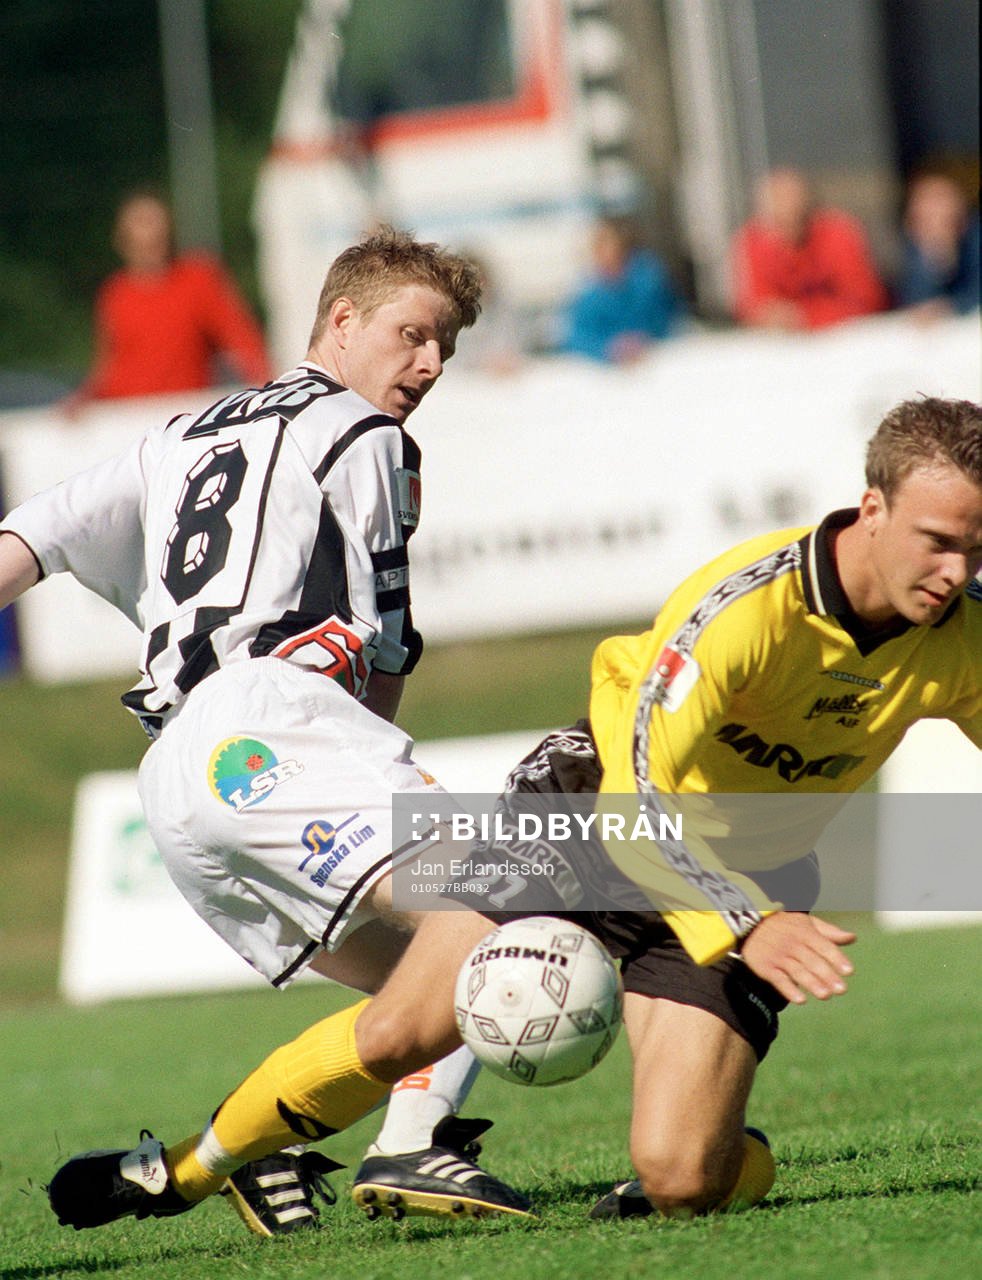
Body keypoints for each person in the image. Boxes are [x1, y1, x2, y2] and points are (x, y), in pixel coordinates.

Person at [0, 227, 533, 1235]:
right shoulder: (369, 435)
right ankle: (413, 1145)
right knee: (503, 907)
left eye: (446, 349)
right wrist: (376, 759)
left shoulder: (178, 436)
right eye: (413, 334)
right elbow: (381, 642)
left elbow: (29, 536)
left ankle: (233, 1158)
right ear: (342, 319)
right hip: (277, 725)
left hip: (175, 775)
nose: (428, 364)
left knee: (437, 1003)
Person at [399, 395, 982, 1220]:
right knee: (400, 1030)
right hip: (603, 816)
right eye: (941, 543)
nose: (958, 572)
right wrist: (748, 921)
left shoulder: (960, 635)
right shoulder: (747, 606)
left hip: (747, 863)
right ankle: (213, 1163)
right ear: (875, 508)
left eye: (977, 548)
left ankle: (717, 1148)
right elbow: (636, 793)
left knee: (682, 1178)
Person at [62, 190, 271, 415]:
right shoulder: (115, 293)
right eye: (141, 225)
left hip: (180, 414)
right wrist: (84, 398)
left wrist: (270, 391)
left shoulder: (198, 279)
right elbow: (108, 366)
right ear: (122, 239)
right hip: (125, 416)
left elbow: (242, 340)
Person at [731, 167, 888, 331]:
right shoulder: (752, 241)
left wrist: (805, 316)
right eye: (776, 219)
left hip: (847, 340)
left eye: (792, 213)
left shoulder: (838, 234)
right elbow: (753, 307)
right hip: (787, 348)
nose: (785, 221)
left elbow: (866, 300)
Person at [560, 216, 683, 364]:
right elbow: (576, 337)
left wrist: (641, 339)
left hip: (654, 358)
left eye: (608, 244)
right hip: (608, 368)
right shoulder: (587, 295)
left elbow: (670, 318)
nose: (603, 253)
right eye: (598, 246)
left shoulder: (649, 281)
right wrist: (609, 348)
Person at [895, 172, 981, 320]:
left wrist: (952, 306)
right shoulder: (915, 241)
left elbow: (975, 291)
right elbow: (915, 298)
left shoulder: (975, 235)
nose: (934, 209)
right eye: (925, 201)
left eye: (940, 199)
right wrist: (936, 249)